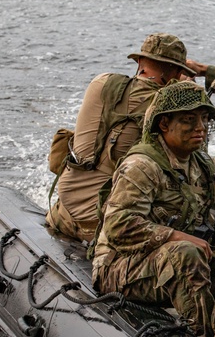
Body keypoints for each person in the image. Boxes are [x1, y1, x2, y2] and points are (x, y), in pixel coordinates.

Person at [91, 81, 215, 337]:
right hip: (118, 266)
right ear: (164, 125)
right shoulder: (142, 166)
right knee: (187, 254)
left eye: (204, 119)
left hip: (160, 261)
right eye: (188, 120)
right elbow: (118, 225)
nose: (200, 127)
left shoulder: (202, 165)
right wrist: (176, 236)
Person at [46, 33, 195, 242]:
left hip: (62, 213)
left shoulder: (101, 83)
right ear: (177, 72)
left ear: (140, 61)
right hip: (103, 227)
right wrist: (187, 95)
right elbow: (191, 168)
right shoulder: (167, 110)